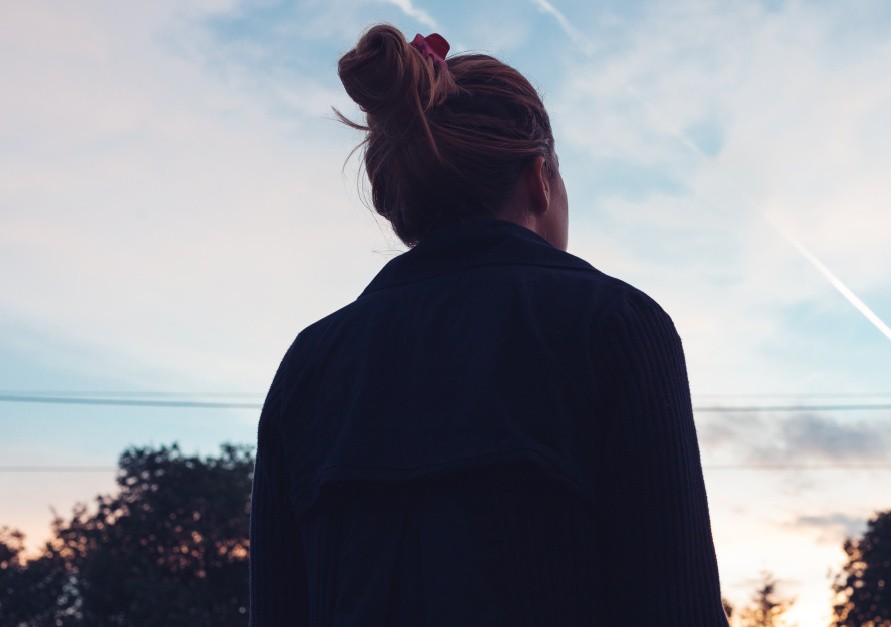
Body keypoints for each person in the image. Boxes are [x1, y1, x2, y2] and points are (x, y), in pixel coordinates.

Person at [249, 24, 725, 626]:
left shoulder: (308, 366)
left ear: (403, 208)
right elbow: (676, 605)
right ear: (540, 176)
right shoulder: (616, 326)